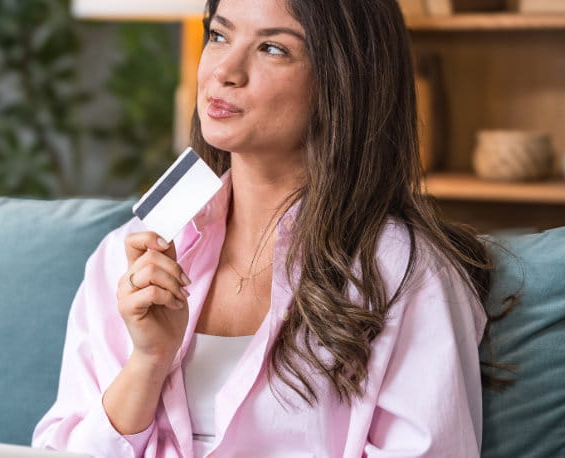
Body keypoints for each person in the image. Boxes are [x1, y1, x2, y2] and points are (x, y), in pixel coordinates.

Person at [31, 0, 499, 456]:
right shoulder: (129, 256)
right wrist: (148, 363)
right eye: (218, 35)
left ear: (342, 81)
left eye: (273, 48)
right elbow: (60, 448)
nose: (225, 70)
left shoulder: (405, 275)